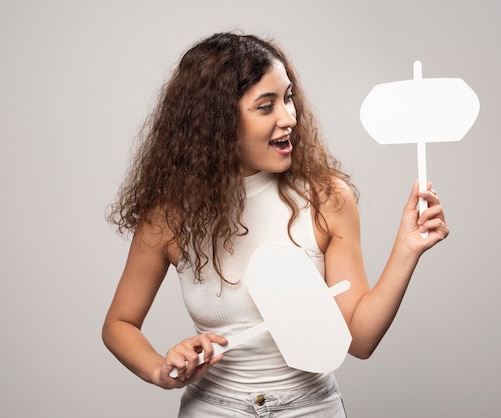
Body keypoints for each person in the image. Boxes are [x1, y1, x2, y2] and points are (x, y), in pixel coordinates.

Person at [102, 32, 448, 417]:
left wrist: (407, 248)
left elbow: (360, 340)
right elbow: (119, 323)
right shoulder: (169, 218)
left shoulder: (327, 198)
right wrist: (160, 369)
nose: (289, 117)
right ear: (216, 123)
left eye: (288, 98)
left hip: (311, 409)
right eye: (265, 107)